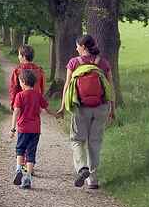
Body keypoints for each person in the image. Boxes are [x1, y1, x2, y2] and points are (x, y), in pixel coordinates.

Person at [55, 34, 115, 189]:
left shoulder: (74, 63)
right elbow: (110, 87)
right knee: (94, 142)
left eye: (77, 46)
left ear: (83, 47)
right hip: (101, 107)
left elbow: (67, 86)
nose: (76, 48)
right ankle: (93, 180)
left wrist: (62, 107)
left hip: (81, 108)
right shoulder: (103, 62)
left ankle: (82, 168)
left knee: (77, 140)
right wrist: (112, 109)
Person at [10, 68, 53, 189]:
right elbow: (46, 108)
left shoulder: (20, 95)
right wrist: (56, 114)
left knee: (20, 149)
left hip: (23, 129)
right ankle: (28, 177)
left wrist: (13, 128)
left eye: (20, 82)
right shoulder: (37, 95)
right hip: (35, 130)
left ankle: (18, 170)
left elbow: (16, 112)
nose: (19, 84)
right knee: (31, 152)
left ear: (23, 81)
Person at [8, 44, 46, 111]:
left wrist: (12, 103)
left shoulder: (18, 70)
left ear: (24, 57)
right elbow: (42, 87)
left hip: (21, 103)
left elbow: (14, 88)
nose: (18, 56)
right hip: (35, 103)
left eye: (19, 55)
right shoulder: (39, 70)